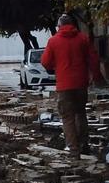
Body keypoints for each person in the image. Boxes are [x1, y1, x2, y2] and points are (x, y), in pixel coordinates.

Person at [42, 14, 102, 160]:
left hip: (64, 85)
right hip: (81, 83)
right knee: (81, 113)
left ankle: (74, 151)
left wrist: (56, 65)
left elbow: (45, 62)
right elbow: (93, 59)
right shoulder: (83, 38)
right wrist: (95, 76)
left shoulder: (53, 41)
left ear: (59, 26)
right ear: (73, 25)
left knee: (67, 118)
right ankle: (84, 145)